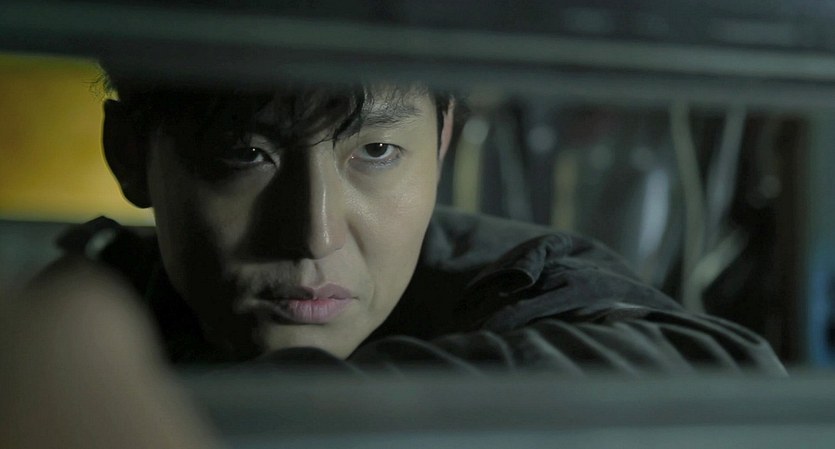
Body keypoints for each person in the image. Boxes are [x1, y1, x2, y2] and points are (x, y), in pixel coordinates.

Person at [51, 69, 784, 375]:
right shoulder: (86, 301)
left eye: (375, 151)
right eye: (246, 154)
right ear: (130, 156)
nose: (315, 233)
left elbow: (718, 375)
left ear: (440, 142)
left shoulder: (522, 284)